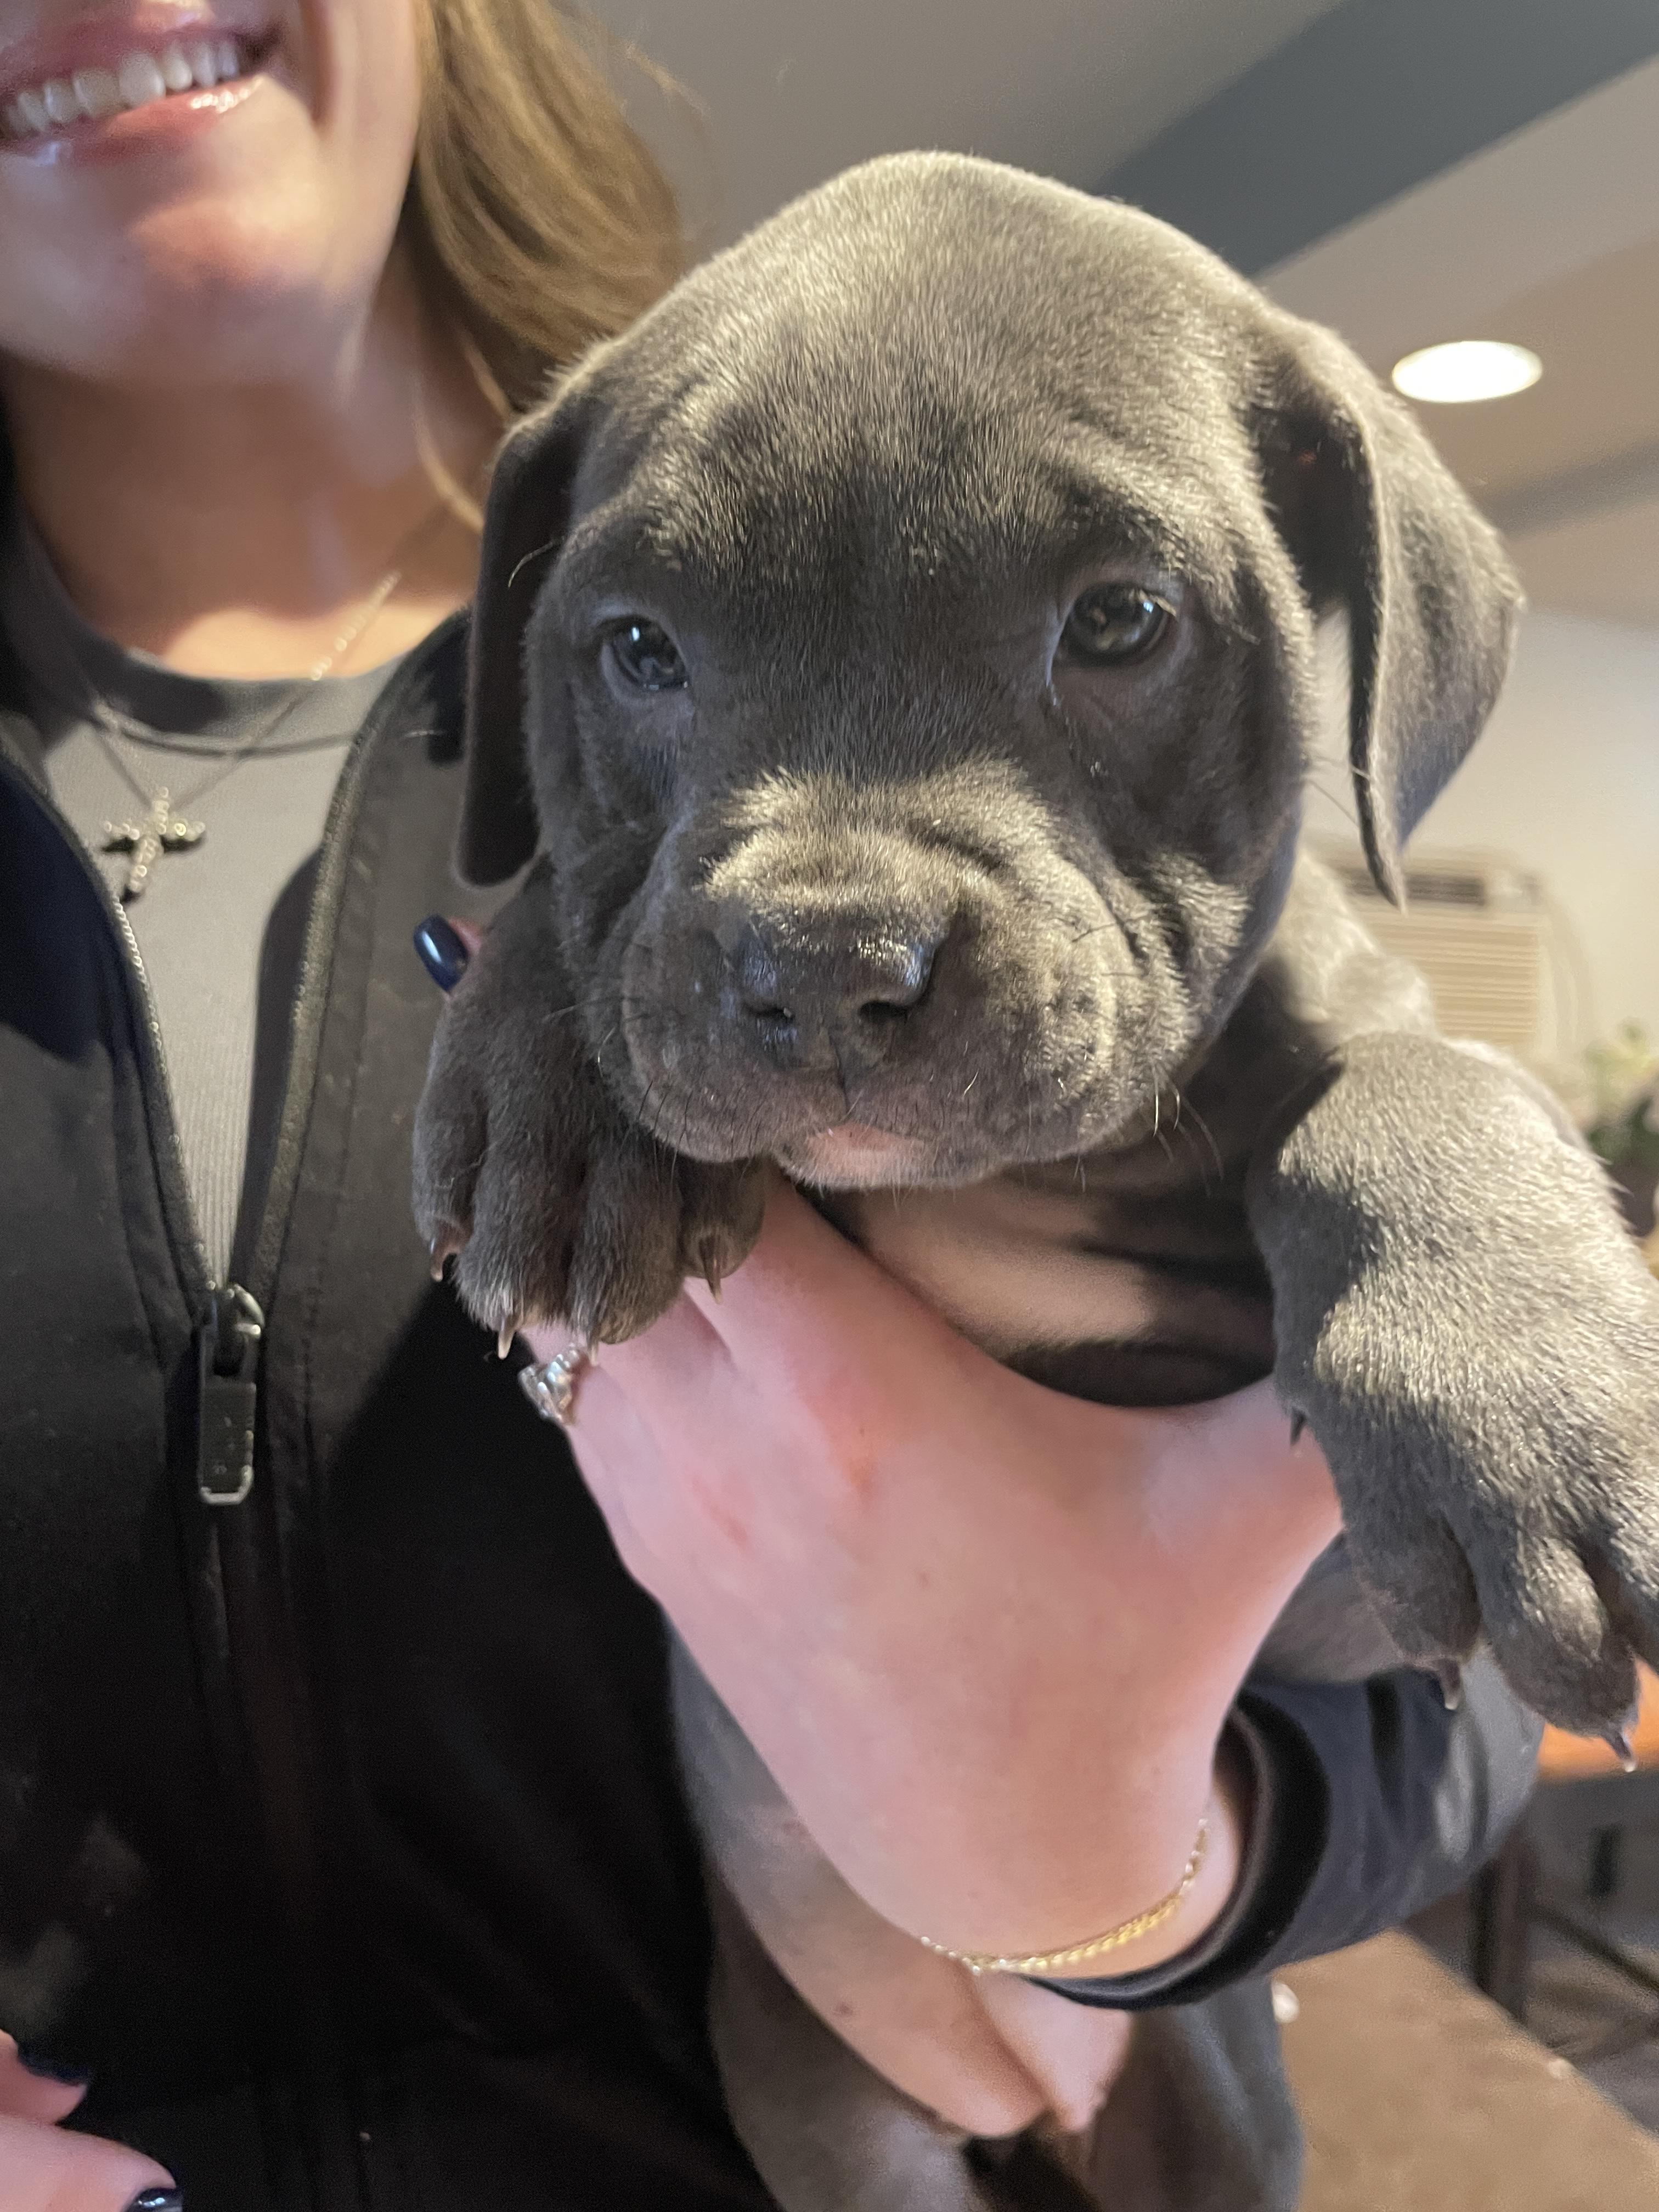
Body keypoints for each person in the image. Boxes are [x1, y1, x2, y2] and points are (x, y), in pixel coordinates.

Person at [0, 2, 1542, 2207]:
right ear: (579, 663)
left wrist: (1139, 1859)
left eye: (1110, 622)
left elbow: (1488, 1672)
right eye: (646, 660)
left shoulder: (859, 408)